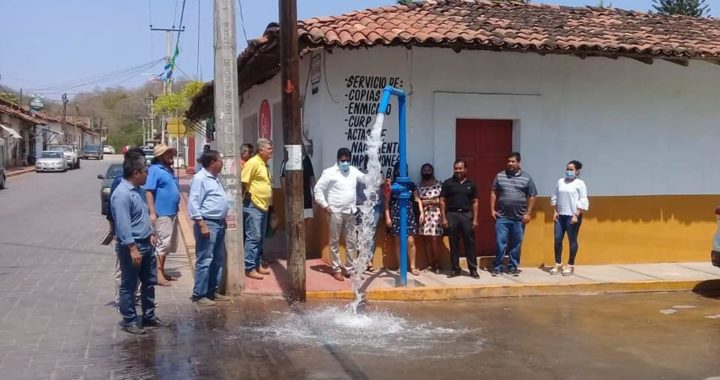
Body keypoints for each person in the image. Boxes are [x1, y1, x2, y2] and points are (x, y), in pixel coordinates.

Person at [110, 153, 170, 334]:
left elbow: (142, 216)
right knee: (129, 285)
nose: (147, 176)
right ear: (136, 173)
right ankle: (130, 320)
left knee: (149, 282)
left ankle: (149, 316)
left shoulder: (138, 191)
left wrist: (151, 233)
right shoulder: (122, 194)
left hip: (146, 243)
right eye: (145, 172)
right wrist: (132, 248)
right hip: (133, 246)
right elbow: (123, 225)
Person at [314, 147, 364, 281]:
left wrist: (378, 179)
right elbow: (318, 189)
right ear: (338, 160)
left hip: (350, 211)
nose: (345, 163)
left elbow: (364, 179)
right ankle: (336, 269)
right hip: (335, 211)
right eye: (343, 160)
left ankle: (349, 268)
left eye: (347, 160)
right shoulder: (329, 172)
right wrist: (324, 205)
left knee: (352, 242)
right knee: (334, 242)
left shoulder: (353, 171)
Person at [188, 150, 231, 305]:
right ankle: (199, 294)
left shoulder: (214, 179)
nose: (222, 163)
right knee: (205, 259)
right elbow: (193, 203)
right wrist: (201, 224)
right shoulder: (200, 179)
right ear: (213, 163)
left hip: (218, 223)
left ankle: (212, 291)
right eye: (220, 160)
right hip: (207, 223)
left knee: (217, 259)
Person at [107, 147, 145, 308]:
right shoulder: (120, 184)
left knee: (137, 274)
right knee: (123, 272)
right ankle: (121, 301)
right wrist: (113, 229)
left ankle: (134, 297)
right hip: (126, 236)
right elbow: (113, 210)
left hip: (140, 237)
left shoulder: (138, 187)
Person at [490, 152, 537, 277]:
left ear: (518, 162)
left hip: (519, 218)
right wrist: (492, 210)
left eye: (513, 161)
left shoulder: (527, 178)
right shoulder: (500, 176)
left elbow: (532, 196)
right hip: (502, 217)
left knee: (516, 244)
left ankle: (513, 266)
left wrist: (528, 213)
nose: (510, 163)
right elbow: (493, 192)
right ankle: (497, 266)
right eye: (508, 161)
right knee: (501, 242)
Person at [145, 144, 181, 286]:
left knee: (167, 245)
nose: (171, 156)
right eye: (168, 154)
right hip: (162, 212)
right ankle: (158, 274)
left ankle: (162, 271)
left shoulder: (168, 170)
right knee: (162, 244)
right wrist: (152, 212)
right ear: (160, 157)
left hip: (172, 211)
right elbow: (149, 191)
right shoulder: (155, 170)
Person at [440, 159, 480, 279]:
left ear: (465, 169)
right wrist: (443, 218)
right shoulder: (448, 183)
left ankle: (472, 269)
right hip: (452, 215)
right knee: (454, 243)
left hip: (466, 215)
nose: (458, 170)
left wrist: (475, 219)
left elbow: (475, 202)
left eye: (460, 168)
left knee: (470, 243)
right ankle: (455, 269)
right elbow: (442, 201)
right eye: (456, 168)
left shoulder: (471, 184)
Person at [241, 138, 273, 280]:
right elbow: (243, 182)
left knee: (259, 238)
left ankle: (257, 264)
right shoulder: (252, 163)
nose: (271, 151)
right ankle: (249, 267)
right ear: (261, 150)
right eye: (269, 149)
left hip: (263, 205)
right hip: (253, 205)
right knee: (253, 237)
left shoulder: (264, 164)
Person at [550, 160, 589, 276]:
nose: (568, 171)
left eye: (571, 169)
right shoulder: (560, 182)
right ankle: (558, 263)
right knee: (557, 239)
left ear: (577, 171)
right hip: (560, 216)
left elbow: (583, 200)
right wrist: (555, 211)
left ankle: (570, 264)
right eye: (567, 169)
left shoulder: (580, 183)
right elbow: (555, 196)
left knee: (572, 240)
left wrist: (576, 214)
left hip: (572, 216)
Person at [385, 163, 424, 276]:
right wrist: (388, 217)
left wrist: (421, 212)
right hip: (395, 215)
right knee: (397, 241)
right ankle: (401, 266)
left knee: (410, 241)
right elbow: (387, 202)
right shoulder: (391, 185)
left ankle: (412, 266)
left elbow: (417, 199)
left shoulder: (411, 185)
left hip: (409, 214)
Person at [355, 168, 384, 273]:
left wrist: (381, 210)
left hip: (375, 207)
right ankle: (361, 261)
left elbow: (381, 193)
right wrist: (359, 205)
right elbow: (356, 191)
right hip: (362, 207)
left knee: (372, 235)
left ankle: (369, 261)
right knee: (361, 234)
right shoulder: (360, 175)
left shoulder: (379, 176)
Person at [417, 163, 444, 274]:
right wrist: (433, 201)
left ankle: (437, 263)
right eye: (424, 170)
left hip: (437, 215)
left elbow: (441, 201)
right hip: (424, 215)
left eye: (428, 170)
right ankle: (430, 264)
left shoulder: (439, 184)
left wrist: (427, 201)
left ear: (432, 171)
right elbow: (418, 201)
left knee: (435, 240)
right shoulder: (419, 186)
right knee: (426, 240)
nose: (426, 172)